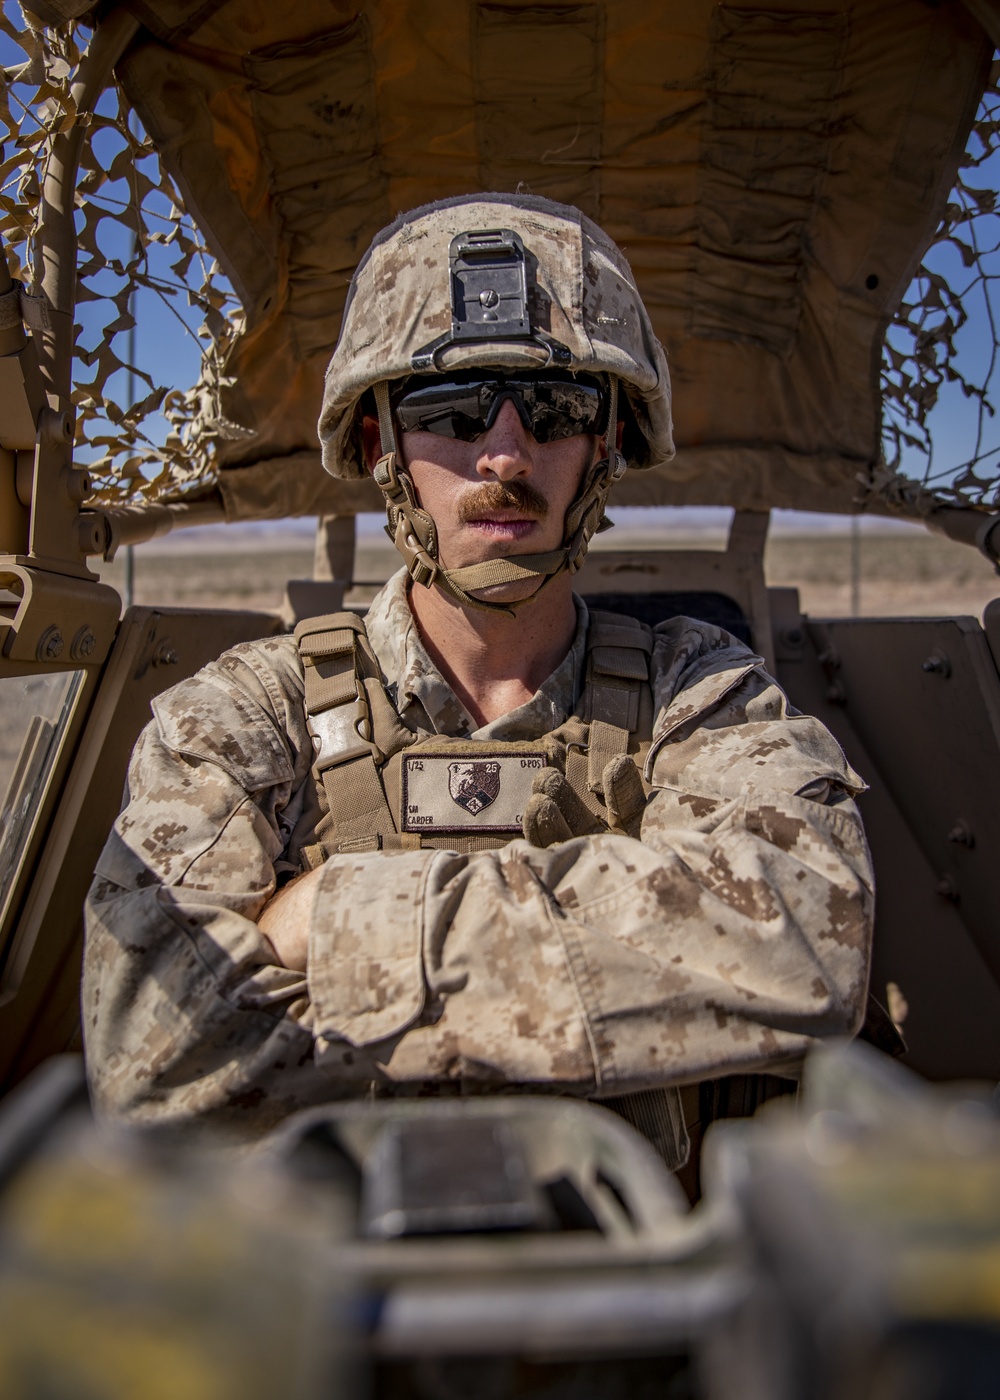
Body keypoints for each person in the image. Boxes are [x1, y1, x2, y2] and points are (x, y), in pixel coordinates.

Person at [83, 195, 874, 1168]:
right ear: (380, 445)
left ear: (607, 442)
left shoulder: (702, 694)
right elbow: (153, 1059)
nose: (503, 454)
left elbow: (806, 936)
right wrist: (642, 966)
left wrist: (329, 918)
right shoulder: (245, 716)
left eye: (553, 407)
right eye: (451, 409)